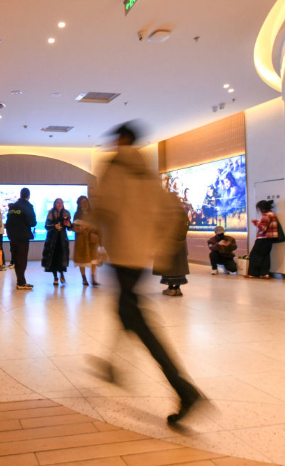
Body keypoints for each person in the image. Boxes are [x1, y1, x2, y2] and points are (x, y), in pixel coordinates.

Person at [91, 121, 200, 424]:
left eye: (116, 140)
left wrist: (91, 222)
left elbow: (105, 207)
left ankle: (185, 390)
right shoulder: (148, 171)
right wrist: (157, 247)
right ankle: (113, 365)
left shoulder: (114, 167)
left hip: (122, 255)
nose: (113, 145)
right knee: (125, 311)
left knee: (137, 320)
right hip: (139, 258)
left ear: (122, 140)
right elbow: (170, 212)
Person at [152, 192, 190, 296]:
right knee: (179, 267)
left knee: (170, 267)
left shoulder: (166, 211)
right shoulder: (181, 211)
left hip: (168, 243)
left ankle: (171, 288)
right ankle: (177, 288)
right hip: (181, 244)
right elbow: (186, 225)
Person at [5, 188, 37, 290]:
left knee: (16, 259)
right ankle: (21, 282)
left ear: (20, 194)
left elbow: (8, 222)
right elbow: (32, 222)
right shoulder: (27, 206)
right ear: (28, 196)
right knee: (22, 259)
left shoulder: (13, 207)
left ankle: (20, 280)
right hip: (23, 236)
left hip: (13, 236)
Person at [72, 195, 100, 286]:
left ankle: (93, 278)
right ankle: (84, 279)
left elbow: (97, 227)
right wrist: (80, 228)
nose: (84, 204)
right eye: (82, 202)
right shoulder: (77, 214)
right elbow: (73, 228)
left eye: (86, 201)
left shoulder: (93, 214)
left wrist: (91, 227)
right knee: (81, 261)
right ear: (79, 204)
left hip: (92, 239)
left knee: (94, 260)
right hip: (81, 241)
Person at [42, 198, 71, 285]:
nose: (60, 204)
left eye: (61, 203)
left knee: (62, 257)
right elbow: (46, 225)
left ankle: (62, 274)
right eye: (58, 203)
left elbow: (70, 227)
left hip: (62, 239)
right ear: (54, 204)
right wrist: (54, 226)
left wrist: (69, 225)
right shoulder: (51, 212)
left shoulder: (66, 213)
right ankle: (55, 277)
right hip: (52, 240)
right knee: (53, 259)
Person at [246, 199, 278, 279]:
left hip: (263, 238)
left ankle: (253, 273)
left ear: (262, 208)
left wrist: (256, 222)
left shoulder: (266, 215)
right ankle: (264, 273)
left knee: (254, 255)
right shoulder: (272, 214)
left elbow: (263, 228)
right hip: (270, 238)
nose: (259, 210)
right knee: (265, 256)